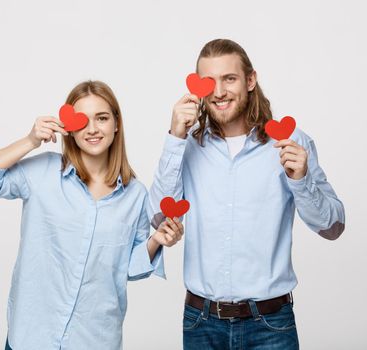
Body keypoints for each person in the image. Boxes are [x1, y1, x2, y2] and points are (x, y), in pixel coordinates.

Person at [148, 39, 346, 349]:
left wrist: (302, 180)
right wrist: (175, 137)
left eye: (229, 79)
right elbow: (158, 217)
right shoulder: (186, 146)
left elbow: (333, 227)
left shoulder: (290, 142)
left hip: (269, 325)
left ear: (250, 80)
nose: (219, 91)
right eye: (208, 81)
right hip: (201, 325)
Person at [0, 80, 184, 350]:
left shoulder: (135, 195)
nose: (92, 129)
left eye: (101, 118)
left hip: (94, 340)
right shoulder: (42, 172)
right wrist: (30, 141)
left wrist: (156, 240)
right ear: (69, 130)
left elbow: (129, 270)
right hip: (31, 339)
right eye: (82, 120)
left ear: (116, 124)